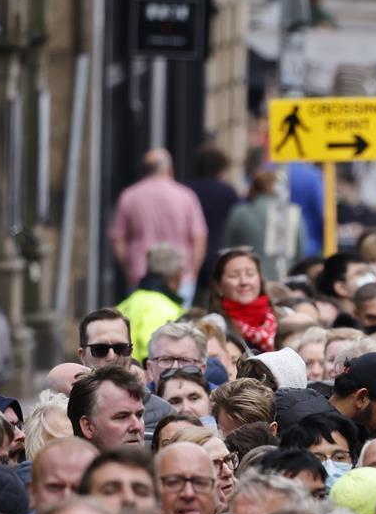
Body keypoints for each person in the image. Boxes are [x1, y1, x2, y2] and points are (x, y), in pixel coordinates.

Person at [110, 149, 207, 300]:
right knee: (178, 321)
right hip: (179, 273)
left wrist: (129, 266)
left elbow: (118, 237)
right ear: (169, 169)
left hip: (141, 272)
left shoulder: (129, 196)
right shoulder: (185, 196)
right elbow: (199, 237)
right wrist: (192, 271)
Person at [223, 168, 303, 281]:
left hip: (249, 278)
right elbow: (301, 249)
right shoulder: (291, 213)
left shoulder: (240, 212)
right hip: (285, 276)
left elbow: (228, 248)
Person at [115, 242, 187, 361]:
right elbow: (152, 353)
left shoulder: (129, 302)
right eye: (182, 270)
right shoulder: (162, 309)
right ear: (176, 273)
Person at [207, 247, 276, 353]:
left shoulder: (282, 319)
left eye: (250, 274)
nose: (243, 282)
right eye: (234, 276)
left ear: (260, 280)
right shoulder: (211, 329)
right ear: (218, 286)